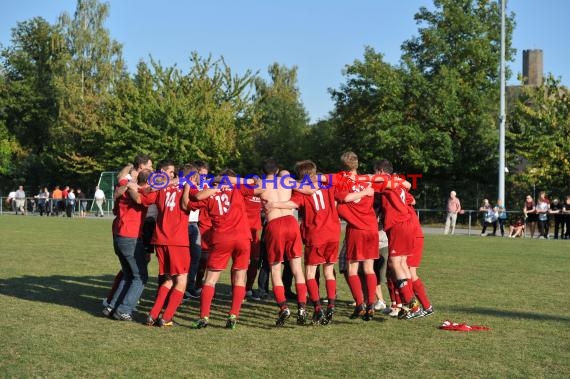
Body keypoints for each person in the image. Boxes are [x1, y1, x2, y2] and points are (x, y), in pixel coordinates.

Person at [186, 168, 264, 330]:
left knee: (210, 279)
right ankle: (233, 315)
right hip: (243, 237)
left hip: (221, 238)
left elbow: (189, 203)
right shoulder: (237, 189)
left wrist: (193, 187)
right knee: (240, 278)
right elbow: (260, 188)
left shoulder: (210, 194)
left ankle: (204, 317)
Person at [266, 160, 341, 325]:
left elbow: (293, 203)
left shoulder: (302, 191)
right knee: (329, 270)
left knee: (309, 274)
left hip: (316, 233)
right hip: (334, 232)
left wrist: (274, 204)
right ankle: (332, 305)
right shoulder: (327, 184)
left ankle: (317, 308)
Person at [102, 170, 151, 321]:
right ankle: (124, 309)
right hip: (130, 236)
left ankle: (112, 306)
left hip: (120, 235)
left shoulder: (126, 189)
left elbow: (121, 188)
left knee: (128, 273)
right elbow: (140, 197)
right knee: (140, 276)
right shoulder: (138, 192)